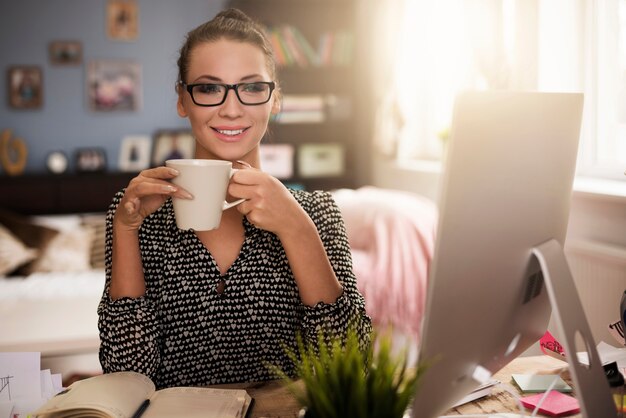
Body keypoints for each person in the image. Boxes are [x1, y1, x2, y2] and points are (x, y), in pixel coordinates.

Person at [98, 8, 372, 389]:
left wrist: (296, 228)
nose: (231, 108)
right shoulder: (135, 213)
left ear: (274, 99)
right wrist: (126, 230)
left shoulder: (317, 213)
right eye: (209, 88)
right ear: (182, 100)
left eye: (252, 87)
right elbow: (127, 375)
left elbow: (349, 373)